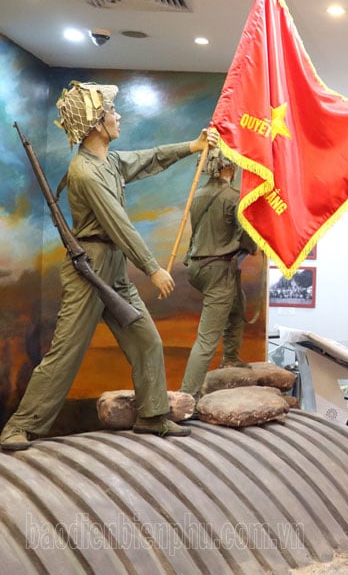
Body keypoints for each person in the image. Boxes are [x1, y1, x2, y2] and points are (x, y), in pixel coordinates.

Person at [0, 81, 216, 450]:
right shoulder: (85, 172)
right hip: (90, 270)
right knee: (66, 354)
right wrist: (152, 268)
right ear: (97, 123)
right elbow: (118, 224)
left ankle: (152, 415)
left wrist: (192, 147)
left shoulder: (108, 161)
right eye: (112, 112)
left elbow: (149, 158)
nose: (118, 116)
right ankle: (19, 427)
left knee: (147, 340)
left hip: (112, 267)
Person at [179, 150, 257, 401]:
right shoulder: (234, 197)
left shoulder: (198, 194)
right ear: (229, 167)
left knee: (237, 306)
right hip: (218, 269)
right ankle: (186, 396)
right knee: (207, 339)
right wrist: (252, 246)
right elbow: (245, 235)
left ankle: (231, 356)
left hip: (197, 267)